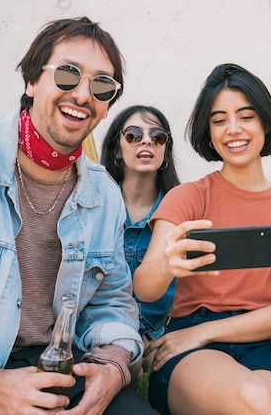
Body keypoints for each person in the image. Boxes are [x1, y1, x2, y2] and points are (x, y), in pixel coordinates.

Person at [0, 17, 158, 414]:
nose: (83, 94)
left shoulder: (104, 192)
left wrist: (113, 365)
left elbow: (113, 303)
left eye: (102, 85)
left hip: (68, 368)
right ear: (32, 82)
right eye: (68, 74)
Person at [133, 63, 271, 414]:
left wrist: (207, 332)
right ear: (208, 130)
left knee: (264, 403)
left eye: (246, 116)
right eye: (219, 120)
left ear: (264, 121)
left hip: (261, 343)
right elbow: (144, 288)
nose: (233, 129)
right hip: (190, 345)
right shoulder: (187, 197)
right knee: (260, 402)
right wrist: (166, 264)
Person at [101, 105, 180, 369]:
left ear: (164, 152)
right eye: (133, 134)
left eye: (157, 137)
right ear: (116, 150)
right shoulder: (95, 205)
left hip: (158, 332)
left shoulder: (181, 209)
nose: (146, 140)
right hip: (100, 326)